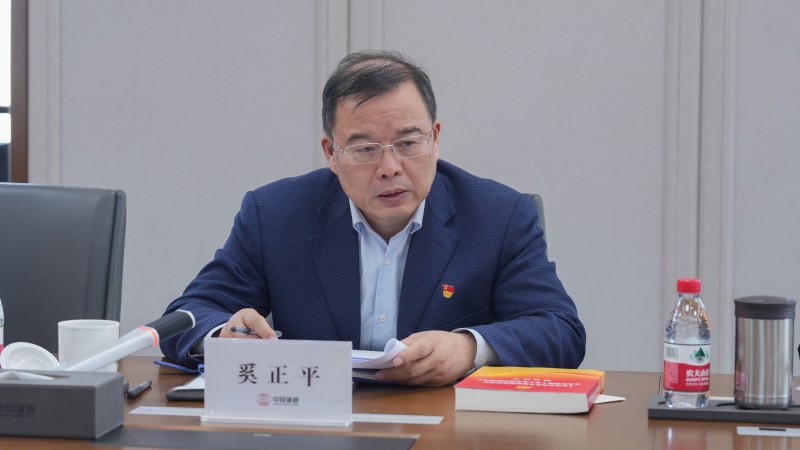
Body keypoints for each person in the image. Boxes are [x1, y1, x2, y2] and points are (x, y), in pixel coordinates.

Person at [161, 50, 585, 386]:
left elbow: (559, 329)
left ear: (435, 139)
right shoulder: (274, 214)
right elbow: (188, 316)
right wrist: (224, 338)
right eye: (365, 149)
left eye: (408, 143)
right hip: (314, 426)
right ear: (332, 154)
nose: (389, 168)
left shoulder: (498, 215)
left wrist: (469, 349)